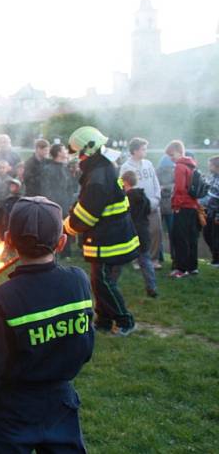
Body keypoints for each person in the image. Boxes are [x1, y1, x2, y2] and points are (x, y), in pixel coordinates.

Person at [0, 196, 94, 453]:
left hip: (11, 412)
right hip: (60, 403)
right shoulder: (79, 282)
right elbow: (85, 345)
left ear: (9, 240)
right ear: (61, 242)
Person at [64, 126, 138, 336]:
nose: (76, 158)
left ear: (88, 150)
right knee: (100, 282)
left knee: (103, 282)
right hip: (111, 235)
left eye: (78, 153)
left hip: (109, 239)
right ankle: (104, 320)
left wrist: (66, 227)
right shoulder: (102, 168)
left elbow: (87, 215)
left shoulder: (97, 176)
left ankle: (125, 321)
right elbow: (86, 204)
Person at [119, 138, 163, 269]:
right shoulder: (126, 167)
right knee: (137, 233)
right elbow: (123, 185)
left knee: (156, 231)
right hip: (137, 206)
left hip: (152, 203)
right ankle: (136, 260)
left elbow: (155, 181)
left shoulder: (148, 164)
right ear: (135, 150)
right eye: (143, 149)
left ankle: (153, 259)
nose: (146, 151)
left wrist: (157, 198)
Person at [121, 170, 158, 297]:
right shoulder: (144, 197)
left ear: (125, 182)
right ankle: (152, 286)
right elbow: (148, 211)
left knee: (117, 261)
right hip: (143, 231)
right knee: (145, 260)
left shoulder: (125, 198)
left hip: (129, 232)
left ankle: (110, 284)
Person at [167, 140, 201, 277]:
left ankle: (181, 269)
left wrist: (176, 206)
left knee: (180, 238)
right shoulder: (191, 165)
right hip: (193, 206)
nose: (171, 158)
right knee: (192, 237)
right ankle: (193, 267)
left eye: (172, 154)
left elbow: (180, 189)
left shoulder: (180, 167)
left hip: (183, 207)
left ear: (178, 151)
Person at [157, 153, 176, 264]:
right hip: (160, 205)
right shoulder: (157, 172)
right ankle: (159, 256)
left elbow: (176, 185)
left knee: (172, 232)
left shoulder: (174, 172)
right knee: (158, 233)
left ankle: (174, 256)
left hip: (170, 205)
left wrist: (164, 187)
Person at [200, 156, 219, 267]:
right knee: (207, 234)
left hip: (217, 213)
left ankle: (217, 261)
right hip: (209, 211)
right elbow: (206, 190)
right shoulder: (212, 176)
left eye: (210, 165)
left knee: (216, 236)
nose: (209, 167)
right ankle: (214, 258)